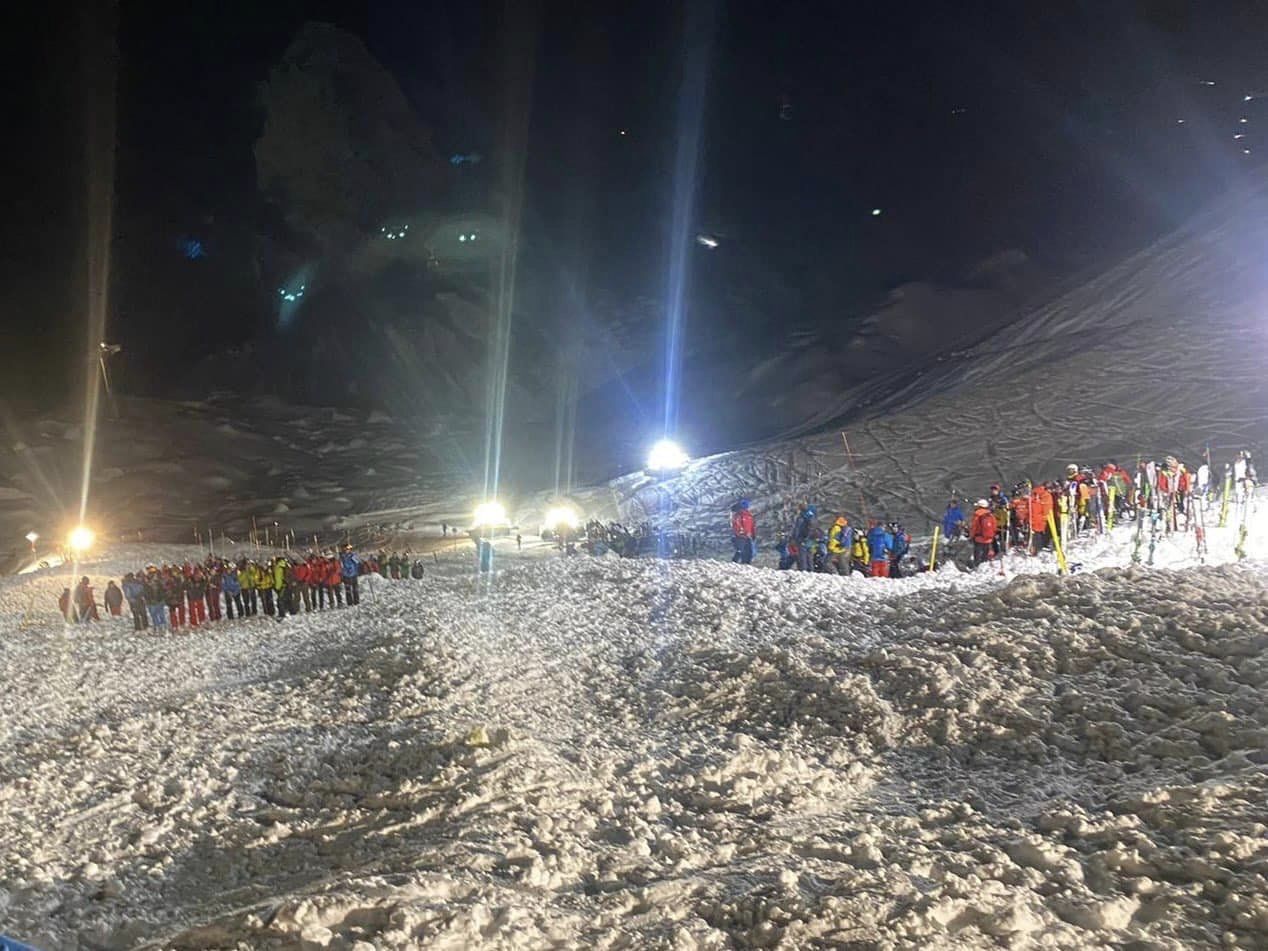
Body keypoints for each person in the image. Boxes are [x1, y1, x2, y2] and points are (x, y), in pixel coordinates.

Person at [970, 498, 997, 568]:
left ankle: (976, 566)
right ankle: (984, 564)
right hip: (988, 538)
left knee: (977, 553)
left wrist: (971, 536)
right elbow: (994, 526)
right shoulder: (990, 514)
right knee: (985, 553)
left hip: (979, 538)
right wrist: (992, 535)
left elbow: (974, 526)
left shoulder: (977, 514)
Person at [790, 504, 817, 572]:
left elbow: (799, 528)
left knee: (803, 556)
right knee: (808, 556)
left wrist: (805, 537)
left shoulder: (805, 516)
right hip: (808, 538)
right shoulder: (809, 515)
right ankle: (810, 570)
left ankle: (804, 570)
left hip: (804, 538)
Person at [1029, 481, 1053, 553]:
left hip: (1037, 519)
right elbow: (1047, 508)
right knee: (1038, 534)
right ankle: (1037, 548)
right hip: (1039, 519)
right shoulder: (1044, 495)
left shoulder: (1036, 495)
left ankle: (1036, 548)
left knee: (1037, 534)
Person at [731, 499, 756, 565]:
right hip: (740, 536)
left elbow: (752, 526)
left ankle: (746, 564)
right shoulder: (738, 515)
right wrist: (741, 533)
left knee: (749, 552)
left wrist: (753, 534)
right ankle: (734, 564)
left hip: (747, 536)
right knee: (740, 550)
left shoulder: (749, 515)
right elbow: (737, 525)